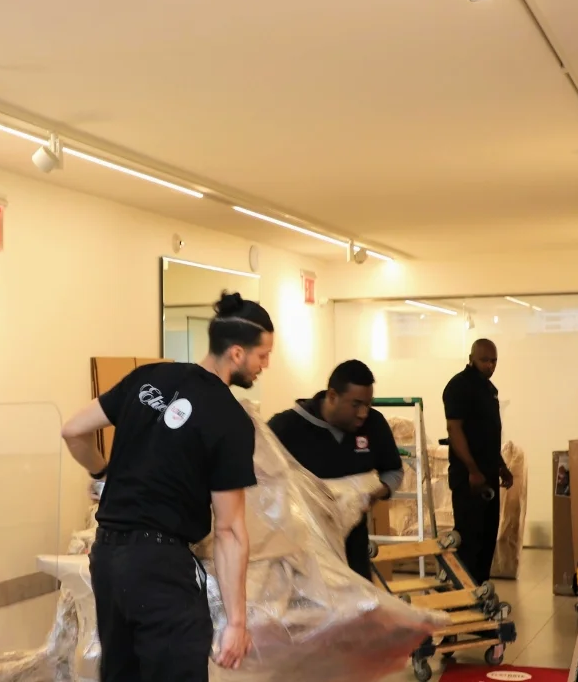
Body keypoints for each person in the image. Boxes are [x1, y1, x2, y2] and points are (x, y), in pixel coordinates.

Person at [59, 292, 273, 682]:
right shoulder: (229, 418)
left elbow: (72, 430)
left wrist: (101, 473)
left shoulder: (149, 377)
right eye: (263, 355)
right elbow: (229, 530)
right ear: (238, 354)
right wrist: (237, 623)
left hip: (107, 559)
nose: (266, 365)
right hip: (159, 568)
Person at [268, 359, 404, 580]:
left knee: (360, 609)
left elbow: (394, 472)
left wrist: (368, 496)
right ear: (332, 396)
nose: (363, 413)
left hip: (354, 550)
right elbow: (261, 480)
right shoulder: (286, 428)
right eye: (356, 404)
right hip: (302, 552)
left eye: (368, 405)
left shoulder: (375, 425)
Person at [443, 338, 512, 586]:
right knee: (470, 537)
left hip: (488, 474)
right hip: (468, 477)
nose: (490, 365)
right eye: (485, 360)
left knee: (487, 536)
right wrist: (472, 470)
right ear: (472, 358)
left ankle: (479, 590)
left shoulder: (489, 389)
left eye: (494, 361)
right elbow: (455, 430)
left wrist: (501, 465)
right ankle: (463, 593)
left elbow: (489, 433)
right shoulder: (458, 387)